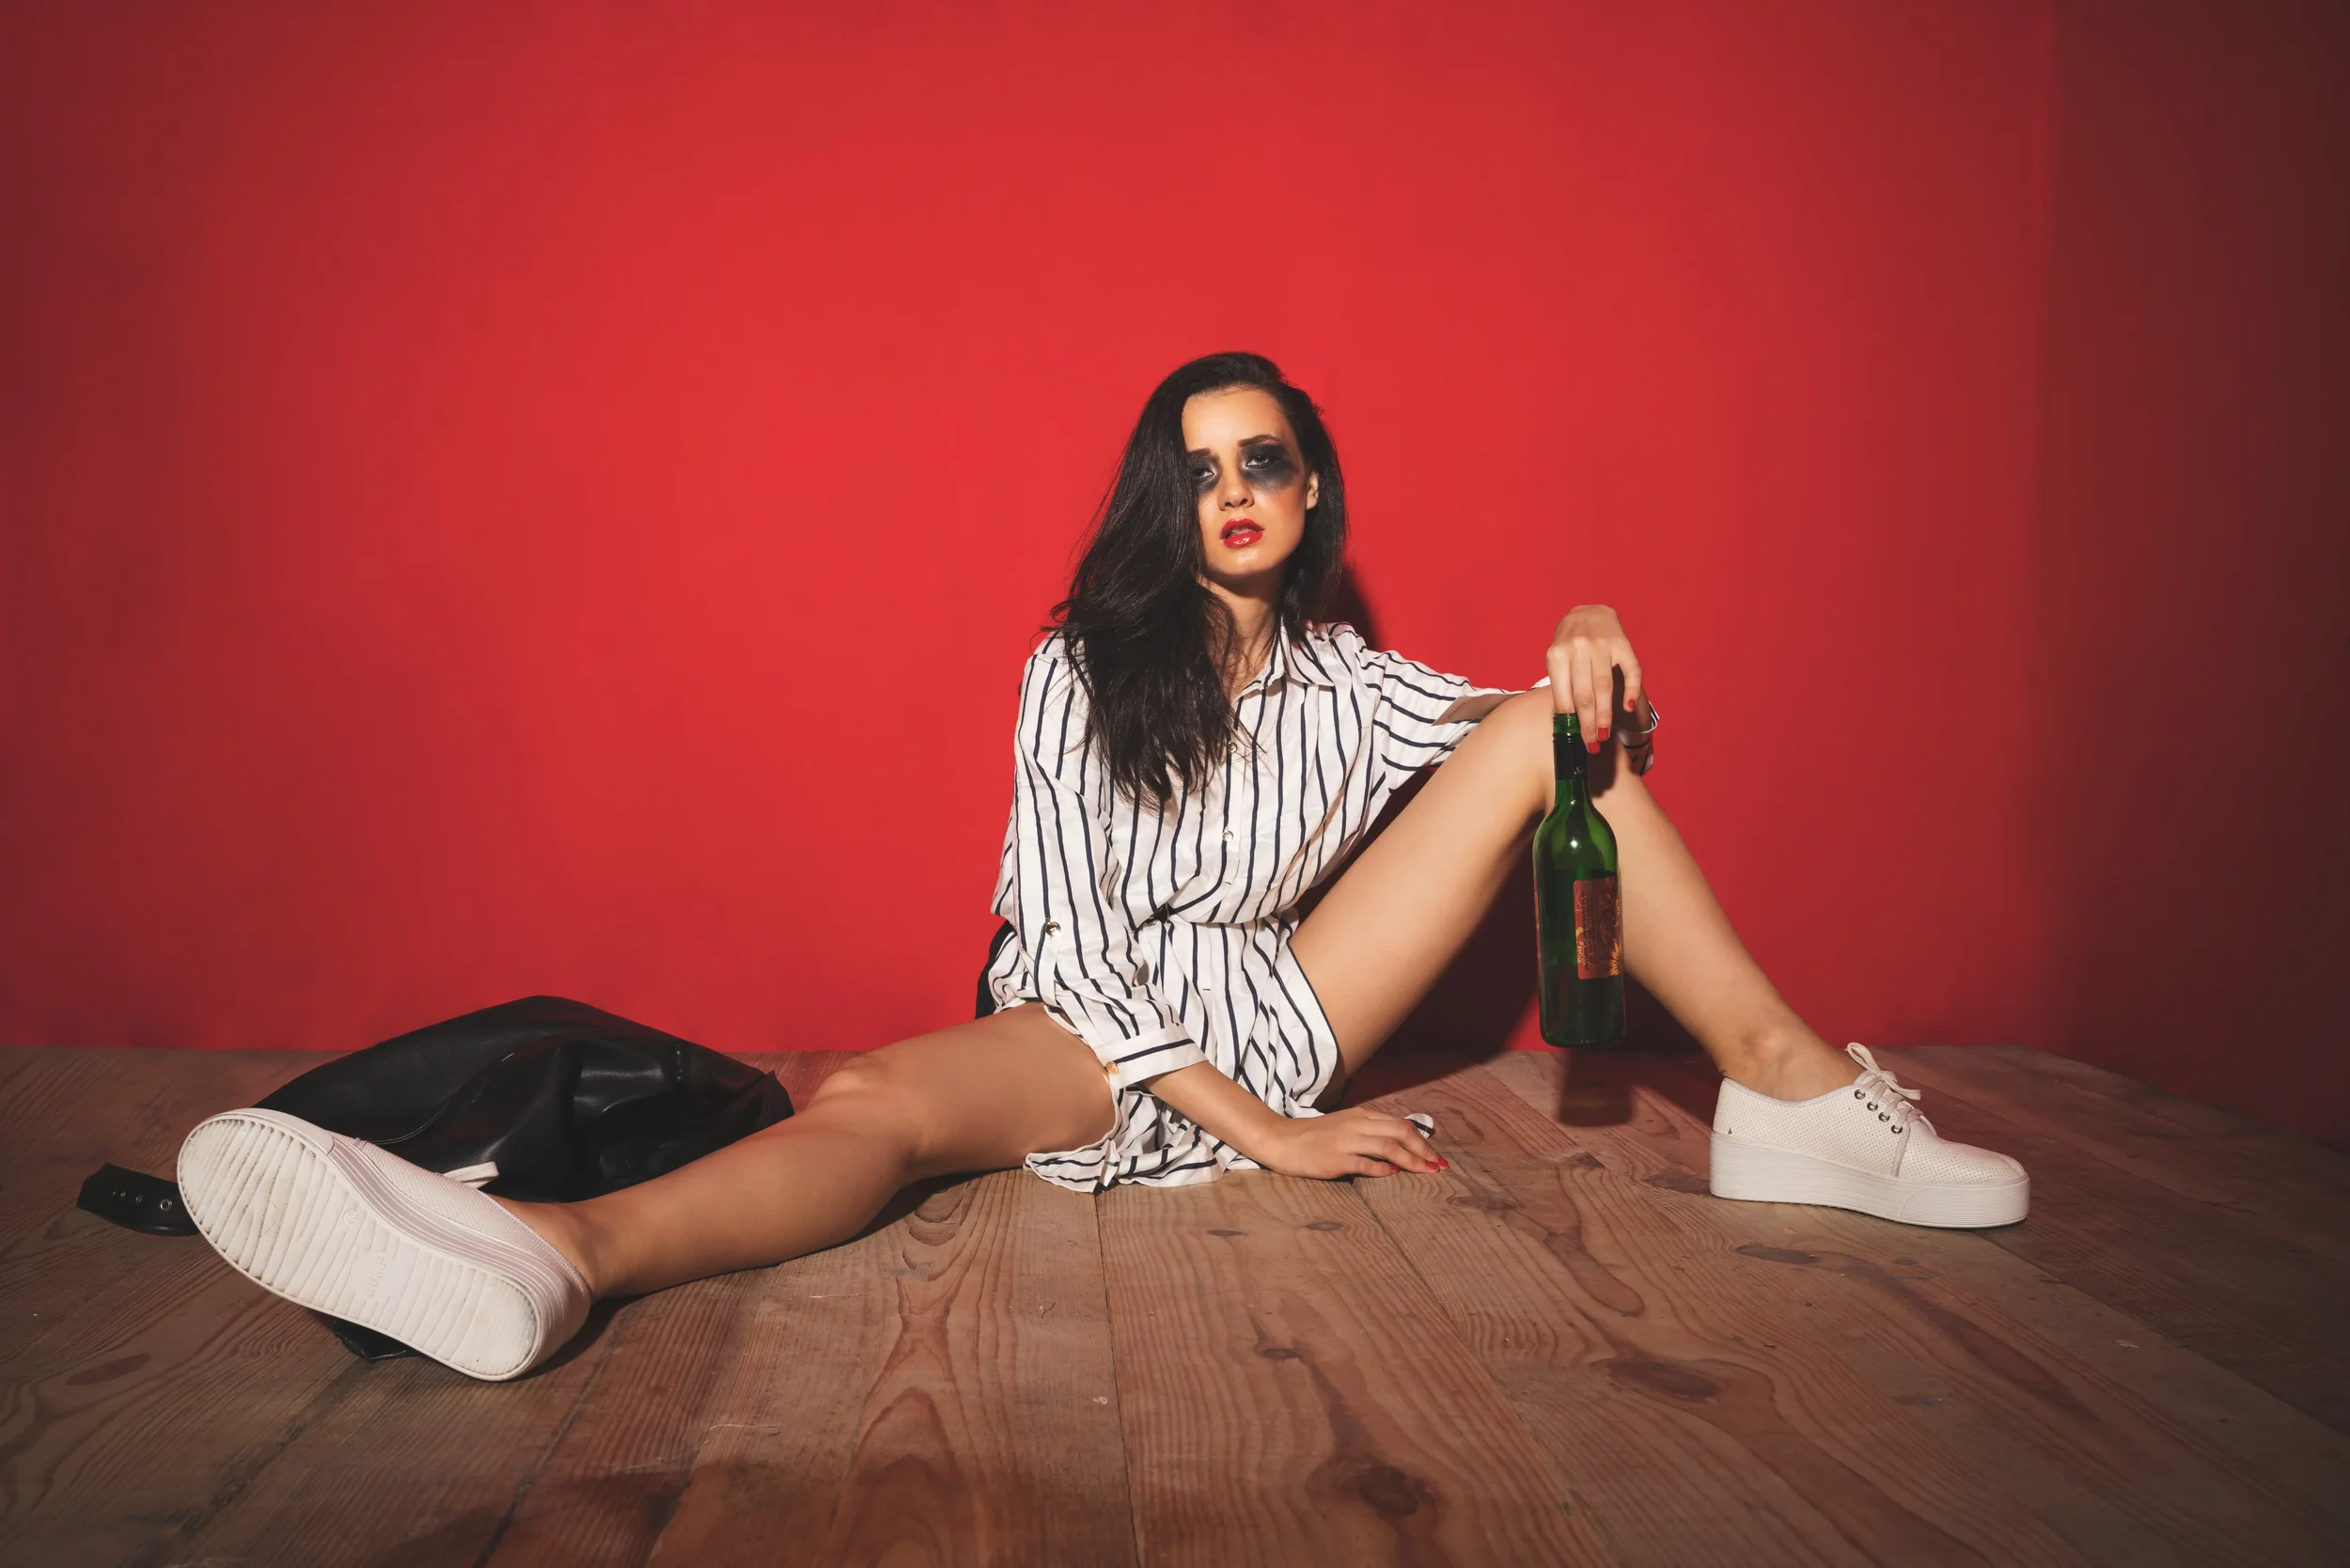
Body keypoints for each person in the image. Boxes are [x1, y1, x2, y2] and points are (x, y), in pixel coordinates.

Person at [175, 352, 2028, 1382]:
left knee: (1551, 732)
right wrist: (1265, 1134)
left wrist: (1591, 619)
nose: (1235, 489)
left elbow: (1547, 728)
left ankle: (1791, 1097)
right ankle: (555, 1258)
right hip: (1097, 1016)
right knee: (883, 1098)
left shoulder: (1348, 679)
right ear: (1169, 499)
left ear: (1309, 493)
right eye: (1200, 467)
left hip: (1288, 999)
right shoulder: (1076, 664)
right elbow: (1067, 943)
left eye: (1266, 460)